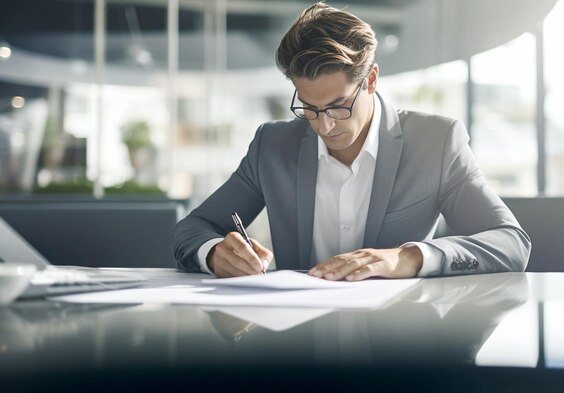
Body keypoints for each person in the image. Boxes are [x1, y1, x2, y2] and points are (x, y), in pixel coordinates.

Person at [173, 2, 531, 281]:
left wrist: (405, 257)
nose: (324, 125)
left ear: (371, 79)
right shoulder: (273, 145)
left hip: (402, 346)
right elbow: (192, 229)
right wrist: (215, 251)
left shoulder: (436, 142)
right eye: (309, 108)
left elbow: (511, 242)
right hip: (297, 346)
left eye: (338, 106)